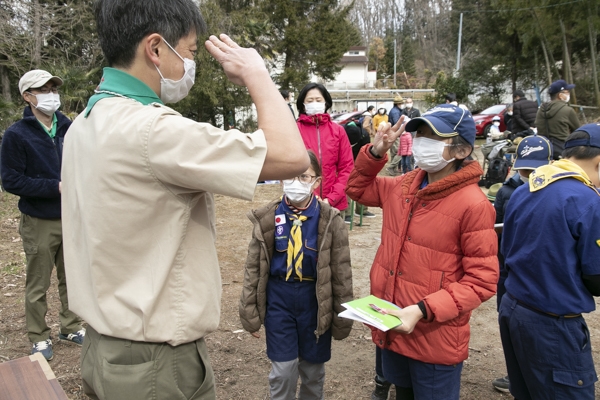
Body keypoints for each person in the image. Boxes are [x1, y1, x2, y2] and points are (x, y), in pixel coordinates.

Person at [61, 1, 309, 399]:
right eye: (190, 52)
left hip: (103, 347)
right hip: (156, 363)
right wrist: (257, 74)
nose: (191, 64)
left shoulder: (86, 123)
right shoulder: (152, 130)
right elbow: (291, 155)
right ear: (156, 49)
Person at [347, 104, 498, 400]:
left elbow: (482, 281)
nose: (421, 144)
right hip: (394, 325)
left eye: (433, 138)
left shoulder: (474, 205)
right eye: (419, 135)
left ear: (462, 150)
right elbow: (357, 190)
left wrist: (421, 310)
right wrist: (375, 153)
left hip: (434, 336)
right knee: (402, 393)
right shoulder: (404, 186)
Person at [239, 150, 353, 400]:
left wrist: (342, 316)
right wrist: (250, 313)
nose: (296, 182)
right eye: (290, 176)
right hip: (279, 299)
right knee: (283, 370)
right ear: (281, 179)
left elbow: (341, 274)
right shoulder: (267, 217)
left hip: (315, 300)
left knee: (313, 372)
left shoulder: (330, 220)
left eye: (304, 176)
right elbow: (253, 269)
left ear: (317, 181)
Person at [499, 124, 600, 400]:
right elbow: (597, 275)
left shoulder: (525, 189)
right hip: (553, 324)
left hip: (514, 309)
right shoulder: (587, 200)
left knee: (528, 390)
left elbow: (506, 252)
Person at [0, 70, 84, 361]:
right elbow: (11, 180)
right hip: (39, 220)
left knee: (71, 278)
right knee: (38, 282)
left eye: (53, 88)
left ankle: (70, 326)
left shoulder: (67, 126)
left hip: (70, 216)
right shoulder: (16, 135)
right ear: (27, 96)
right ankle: (38, 336)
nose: (51, 94)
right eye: (43, 90)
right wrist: (56, 187)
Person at [490, 135, 552, 393]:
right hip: (508, 269)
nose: (529, 173)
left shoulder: (555, 192)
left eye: (535, 168)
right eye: (524, 167)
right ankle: (515, 374)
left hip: (539, 273)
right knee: (509, 323)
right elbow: (497, 228)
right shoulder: (506, 191)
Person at [296, 83, 354, 217]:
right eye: (310, 101)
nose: (314, 103)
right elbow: (289, 168)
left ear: (326, 102)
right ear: (303, 104)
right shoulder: (295, 130)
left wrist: (331, 198)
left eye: (318, 100)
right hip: (302, 202)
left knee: (334, 237)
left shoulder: (338, 131)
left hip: (334, 204)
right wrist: (310, 197)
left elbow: (347, 168)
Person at [535, 79, 580, 159]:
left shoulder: (541, 110)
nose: (569, 94)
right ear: (560, 95)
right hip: (562, 150)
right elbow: (578, 132)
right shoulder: (567, 110)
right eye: (567, 92)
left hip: (542, 149)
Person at [343, 116, 375, 220]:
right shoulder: (340, 132)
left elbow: (367, 154)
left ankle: (362, 209)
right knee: (345, 185)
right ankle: (346, 213)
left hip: (358, 160)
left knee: (361, 183)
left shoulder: (364, 135)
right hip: (343, 162)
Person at [387, 95, 404, 176]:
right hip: (396, 134)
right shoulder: (396, 112)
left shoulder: (393, 110)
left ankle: (392, 169)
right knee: (399, 152)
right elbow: (397, 123)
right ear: (399, 104)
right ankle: (391, 167)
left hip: (392, 133)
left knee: (394, 152)